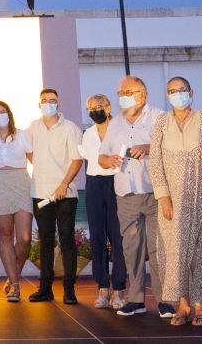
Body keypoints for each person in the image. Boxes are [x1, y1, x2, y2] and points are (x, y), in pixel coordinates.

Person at [148, 77, 202, 327]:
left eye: (181, 90)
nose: (177, 95)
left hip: (200, 196)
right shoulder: (162, 122)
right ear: (167, 96)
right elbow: (154, 162)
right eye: (172, 91)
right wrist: (163, 196)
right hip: (171, 201)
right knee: (174, 251)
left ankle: (200, 306)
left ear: (191, 92)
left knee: (199, 252)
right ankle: (182, 303)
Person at [97, 75, 165, 317]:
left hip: (156, 191)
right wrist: (109, 160)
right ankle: (136, 299)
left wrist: (148, 148)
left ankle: (165, 299)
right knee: (131, 249)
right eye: (121, 92)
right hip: (125, 191)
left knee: (159, 246)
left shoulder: (159, 117)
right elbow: (101, 157)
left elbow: (169, 148)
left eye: (129, 91)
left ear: (143, 94)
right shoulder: (115, 124)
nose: (124, 96)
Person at [26, 88, 83, 305]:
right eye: (44, 101)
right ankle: (45, 289)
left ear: (58, 104)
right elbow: (25, 149)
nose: (48, 103)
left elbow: (77, 160)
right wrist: (39, 165)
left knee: (67, 240)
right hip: (40, 194)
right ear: (39, 104)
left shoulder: (70, 128)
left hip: (65, 194)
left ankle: (69, 290)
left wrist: (63, 184)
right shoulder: (33, 127)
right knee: (46, 241)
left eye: (52, 100)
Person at [0, 100, 33, 303]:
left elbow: (34, 159)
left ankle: (13, 277)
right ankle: (15, 285)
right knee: (5, 236)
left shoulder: (21, 135)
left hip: (21, 183)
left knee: (25, 239)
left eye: (3, 112)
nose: (0, 115)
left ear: (9, 114)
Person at [77, 94, 126, 311]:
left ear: (108, 107)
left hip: (116, 183)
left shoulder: (120, 129)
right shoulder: (87, 134)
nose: (95, 110)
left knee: (118, 236)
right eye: (91, 107)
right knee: (97, 236)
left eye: (99, 106)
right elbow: (90, 160)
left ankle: (119, 288)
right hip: (94, 185)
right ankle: (102, 287)